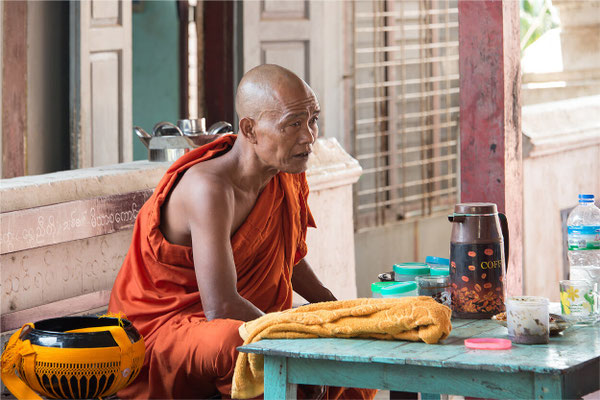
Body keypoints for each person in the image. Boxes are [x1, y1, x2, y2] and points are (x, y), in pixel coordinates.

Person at [109, 64, 375, 399]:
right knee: (238, 345)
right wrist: (291, 342)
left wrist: (340, 313)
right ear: (249, 129)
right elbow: (220, 306)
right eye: (294, 124)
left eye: (312, 120)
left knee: (359, 348)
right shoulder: (210, 189)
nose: (309, 136)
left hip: (246, 320)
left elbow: (286, 259)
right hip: (161, 333)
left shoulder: (284, 171)